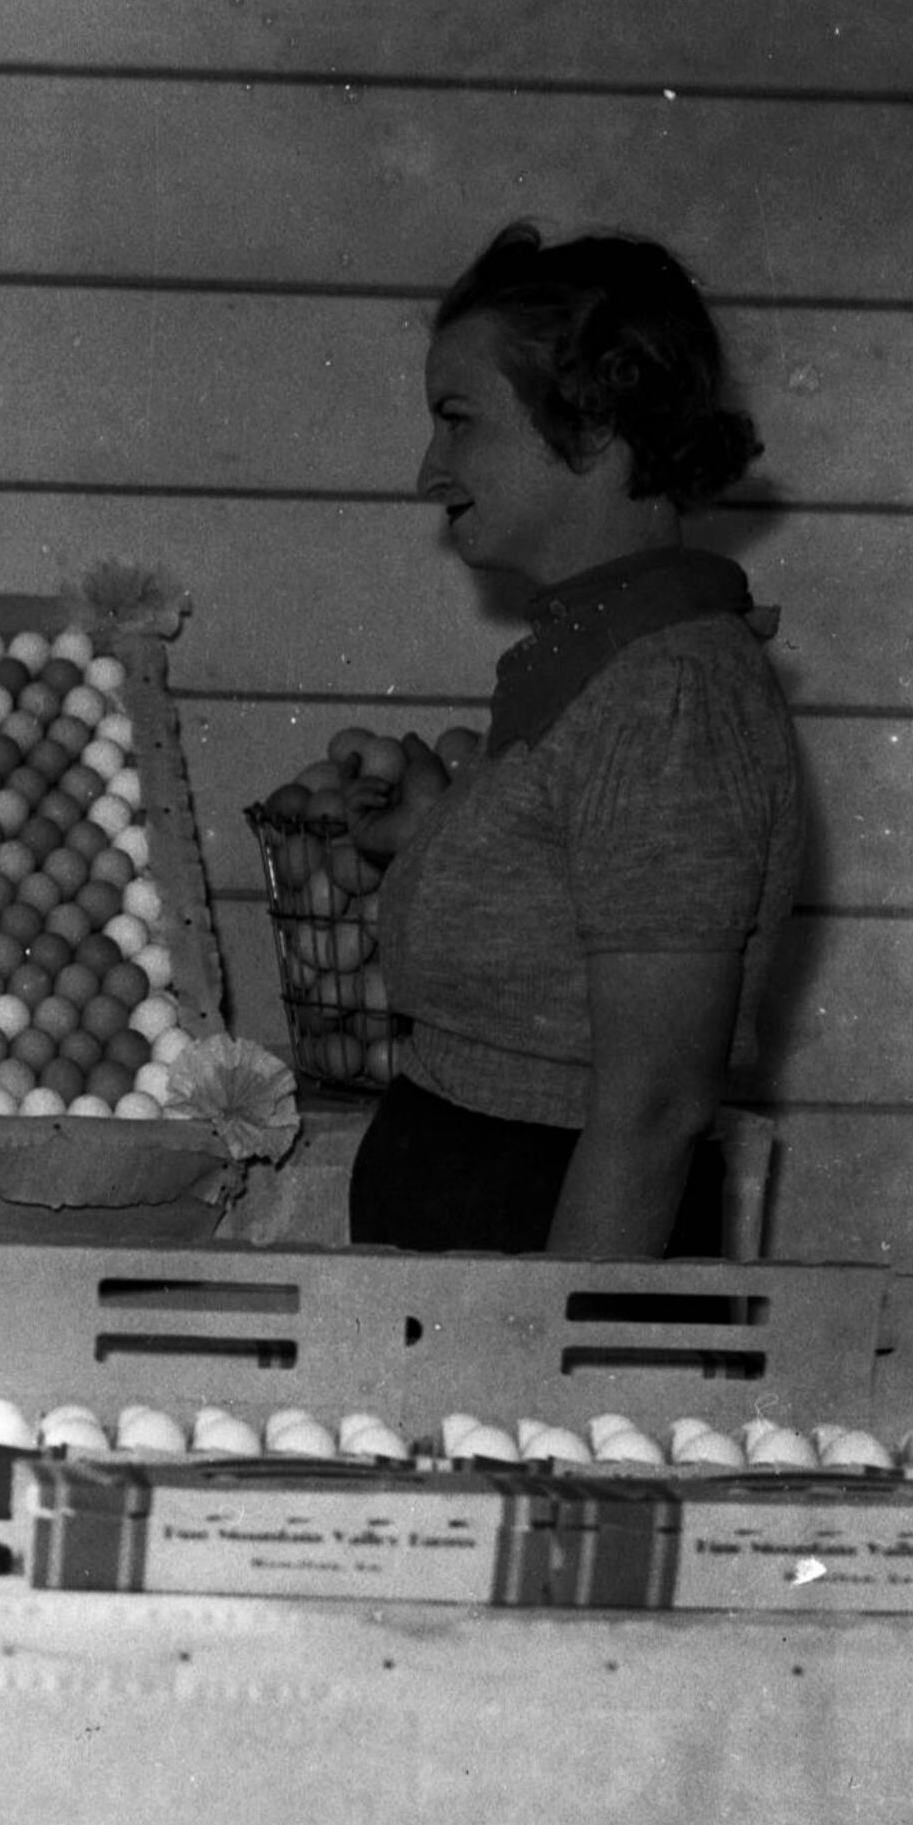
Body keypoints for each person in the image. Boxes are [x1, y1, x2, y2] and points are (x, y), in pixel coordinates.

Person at [346, 226, 806, 1258]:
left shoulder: (669, 693)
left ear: (593, 426)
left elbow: (655, 1107)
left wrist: (554, 1389)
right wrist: (439, 832)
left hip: (546, 1279)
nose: (430, 468)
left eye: (457, 421)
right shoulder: (602, 657)